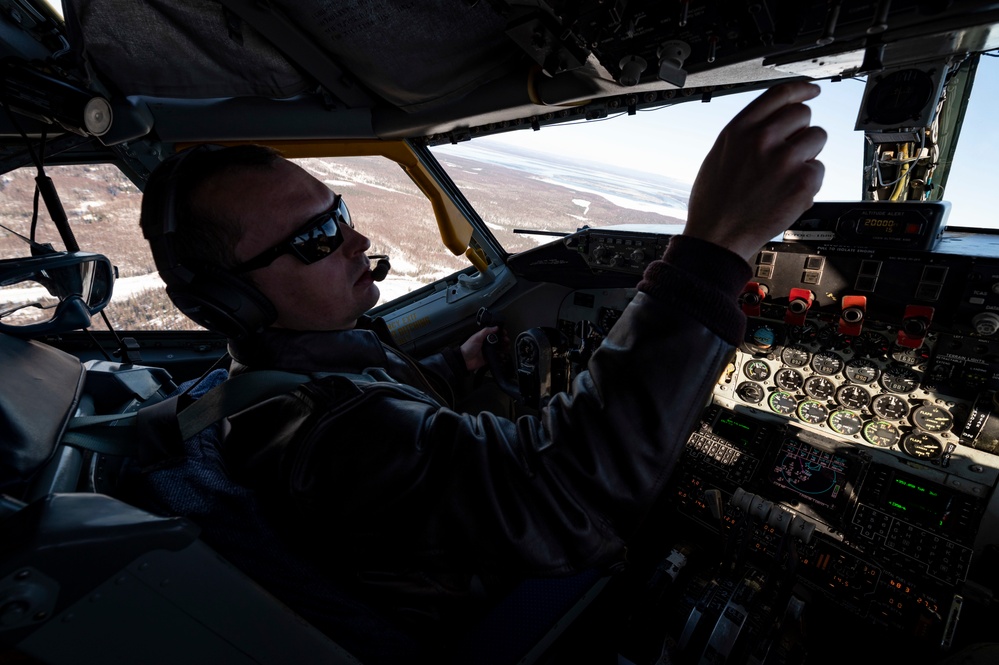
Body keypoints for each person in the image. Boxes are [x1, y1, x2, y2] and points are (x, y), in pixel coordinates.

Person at [138, 81, 826, 658]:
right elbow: (566, 501)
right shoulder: (330, 442)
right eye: (317, 238)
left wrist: (458, 364)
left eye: (338, 212)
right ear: (231, 300)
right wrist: (713, 250)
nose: (356, 239)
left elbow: (383, 406)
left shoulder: (286, 375)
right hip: (480, 611)